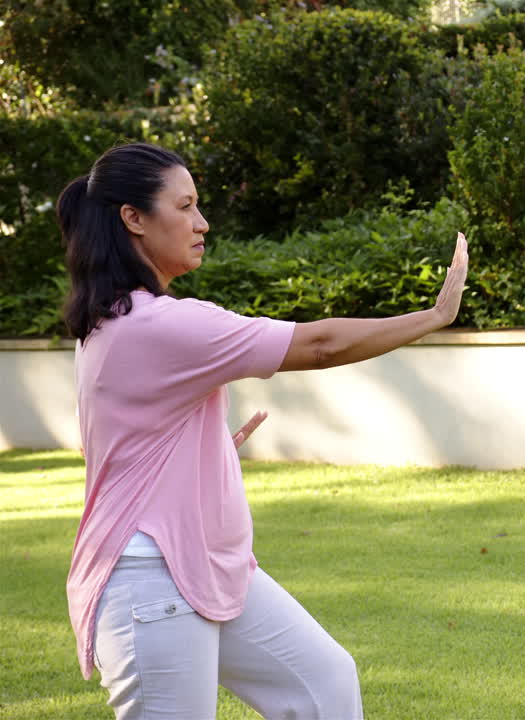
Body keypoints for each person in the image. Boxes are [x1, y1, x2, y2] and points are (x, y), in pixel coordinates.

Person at [58, 142, 468, 719]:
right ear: (134, 218)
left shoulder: (110, 323)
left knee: (323, 685)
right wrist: (431, 317)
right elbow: (319, 345)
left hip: (203, 560)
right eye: (186, 207)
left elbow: (115, 443)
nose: (202, 223)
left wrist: (199, 458)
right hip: (153, 576)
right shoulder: (159, 326)